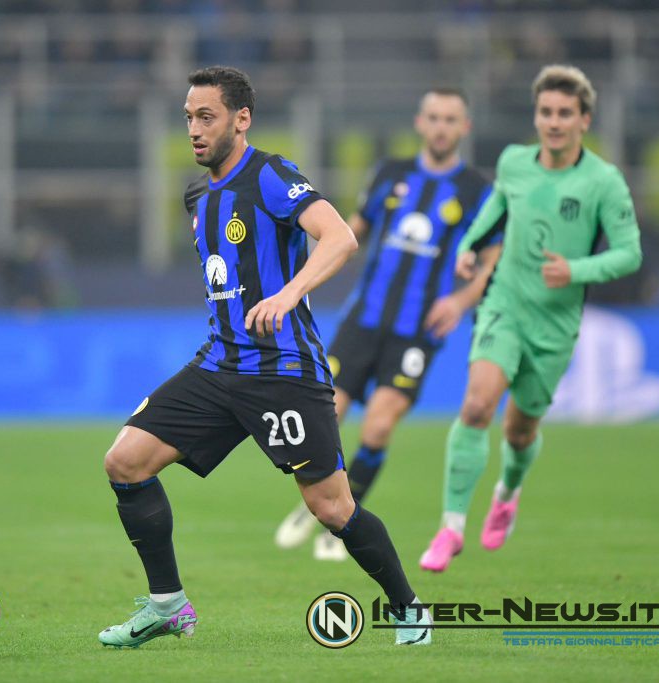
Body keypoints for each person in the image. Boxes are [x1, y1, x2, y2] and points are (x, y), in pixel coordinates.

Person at [99, 66, 432, 648]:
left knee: (332, 508)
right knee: (125, 462)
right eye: (188, 118)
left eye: (207, 117)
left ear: (241, 118)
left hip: (283, 371)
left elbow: (341, 238)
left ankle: (409, 610)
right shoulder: (198, 195)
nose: (195, 130)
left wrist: (289, 291)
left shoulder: (272, 175)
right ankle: (167, 604)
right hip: (221, 364)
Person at [419, 65, 643, 572]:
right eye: (546, 112)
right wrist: (470, 246)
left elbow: (630, 254)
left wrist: (578, 269)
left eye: (565, 113)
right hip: (505, 305)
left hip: (556, 325)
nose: (554, 122)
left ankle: (507, 492)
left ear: (584, 120)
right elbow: (496, 207)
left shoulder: (603, 182)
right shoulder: (516, 162)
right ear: (536, 116)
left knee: (519, 433)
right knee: (476, 406)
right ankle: (450, 528)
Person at [274, 88, 503, 561]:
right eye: (434, 117)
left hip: (419, 330)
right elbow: (351, 228)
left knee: (378, 426)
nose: (441, 126)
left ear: (465, 128)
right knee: (325, 417)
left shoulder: (478, 192)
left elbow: (493, 259)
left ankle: (343, 518)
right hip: (365, 318)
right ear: (420, 122)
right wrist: (303, 269)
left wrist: (461, 300)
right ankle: (322, 504)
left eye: (450, 119)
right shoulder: (389, 174)